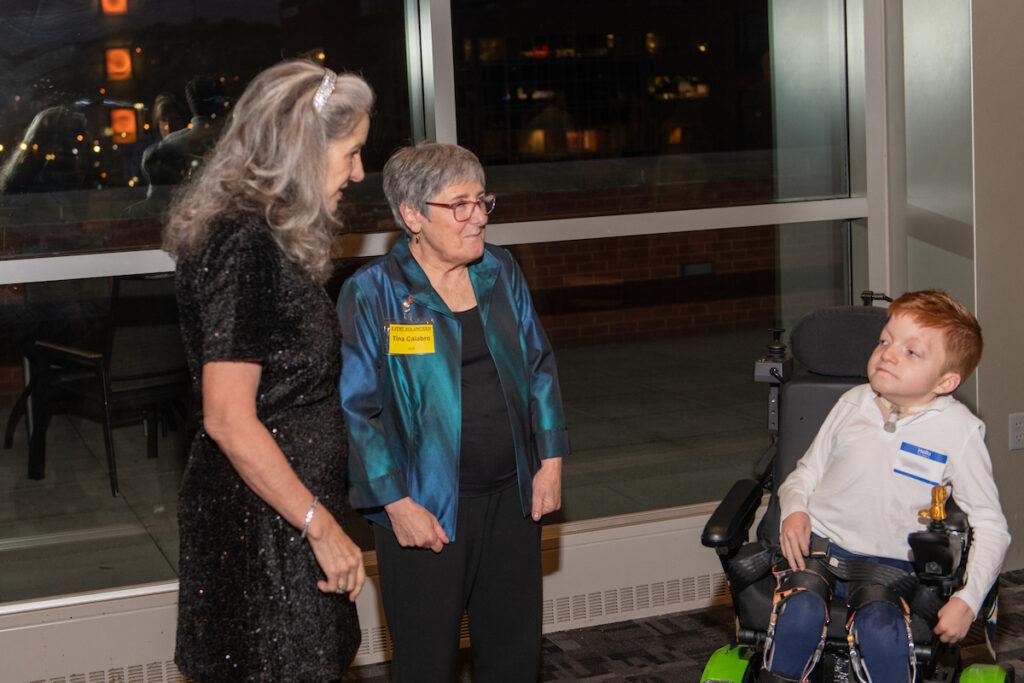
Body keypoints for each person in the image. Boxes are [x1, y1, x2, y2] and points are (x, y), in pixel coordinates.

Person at [163, 59, 373, 682]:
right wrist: (319, 524)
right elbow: (228, 418)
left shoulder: (262, 237)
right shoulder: (241, 242)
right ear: (306, 148)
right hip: (266, 529)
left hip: (283, 516)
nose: (359, 172)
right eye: (353, 152)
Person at [338, 142, 570, 681]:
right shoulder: (373, 293)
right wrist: (395, 504)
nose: (477, 217)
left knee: (514, 658)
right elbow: (356, 410)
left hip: (515, 501)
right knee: (425, 665)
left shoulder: (501, 271)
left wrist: (551, 461)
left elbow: (539, 366)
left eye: (481, 201)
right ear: (412, 216)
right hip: (426, 514)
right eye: (458, 205)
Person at [764, 291, 1010, 683]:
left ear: (946, 381)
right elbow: (805, 473)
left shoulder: (959, 431)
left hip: (889, 566)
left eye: (911, 351)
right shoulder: (853, 404)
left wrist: (967, 600)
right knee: (801, 612)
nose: (888, 354)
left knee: (880, 629)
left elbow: (991, 525)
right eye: (884, 340)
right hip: (821, 549)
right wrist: (795, 509)